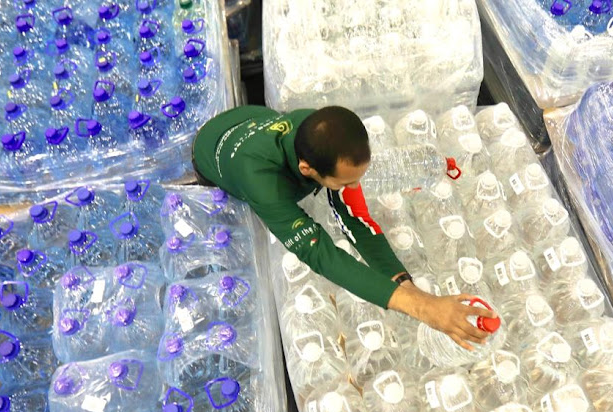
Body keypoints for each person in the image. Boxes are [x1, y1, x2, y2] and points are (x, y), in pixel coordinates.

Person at [191, 105, 496, 350]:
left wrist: (403, 283)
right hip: (212, 152)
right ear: (307, 169)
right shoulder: (262, 181)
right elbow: (323, 255)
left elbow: (354, 217)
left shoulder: (316, 128)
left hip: (250, 118)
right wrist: (423, 308)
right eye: (347, 181)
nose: (356, 186)